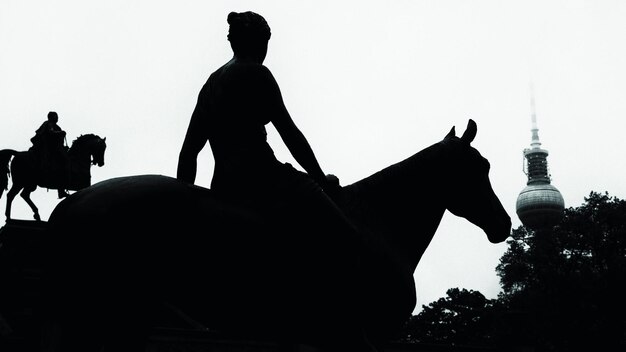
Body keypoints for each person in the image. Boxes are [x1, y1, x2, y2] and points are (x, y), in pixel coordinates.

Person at [177, 11, 375, 351]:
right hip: (266, 180)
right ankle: (346, 333)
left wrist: (189, 203)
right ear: (261, 43)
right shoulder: (257, 73)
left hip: (223, 187)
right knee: (347, 237)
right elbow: (290, 135)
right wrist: (319, 177)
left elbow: (188, 153)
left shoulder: (210, 83)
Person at [31, 111, 69, 198]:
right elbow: (51, 133)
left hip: (55, 147)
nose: (57, 118)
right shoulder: (49, 124)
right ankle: (61, 190)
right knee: (64, 162)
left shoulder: (55, 126)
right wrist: (61, 133)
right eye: (56, 116)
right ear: (51, 117)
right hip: (49, 148)